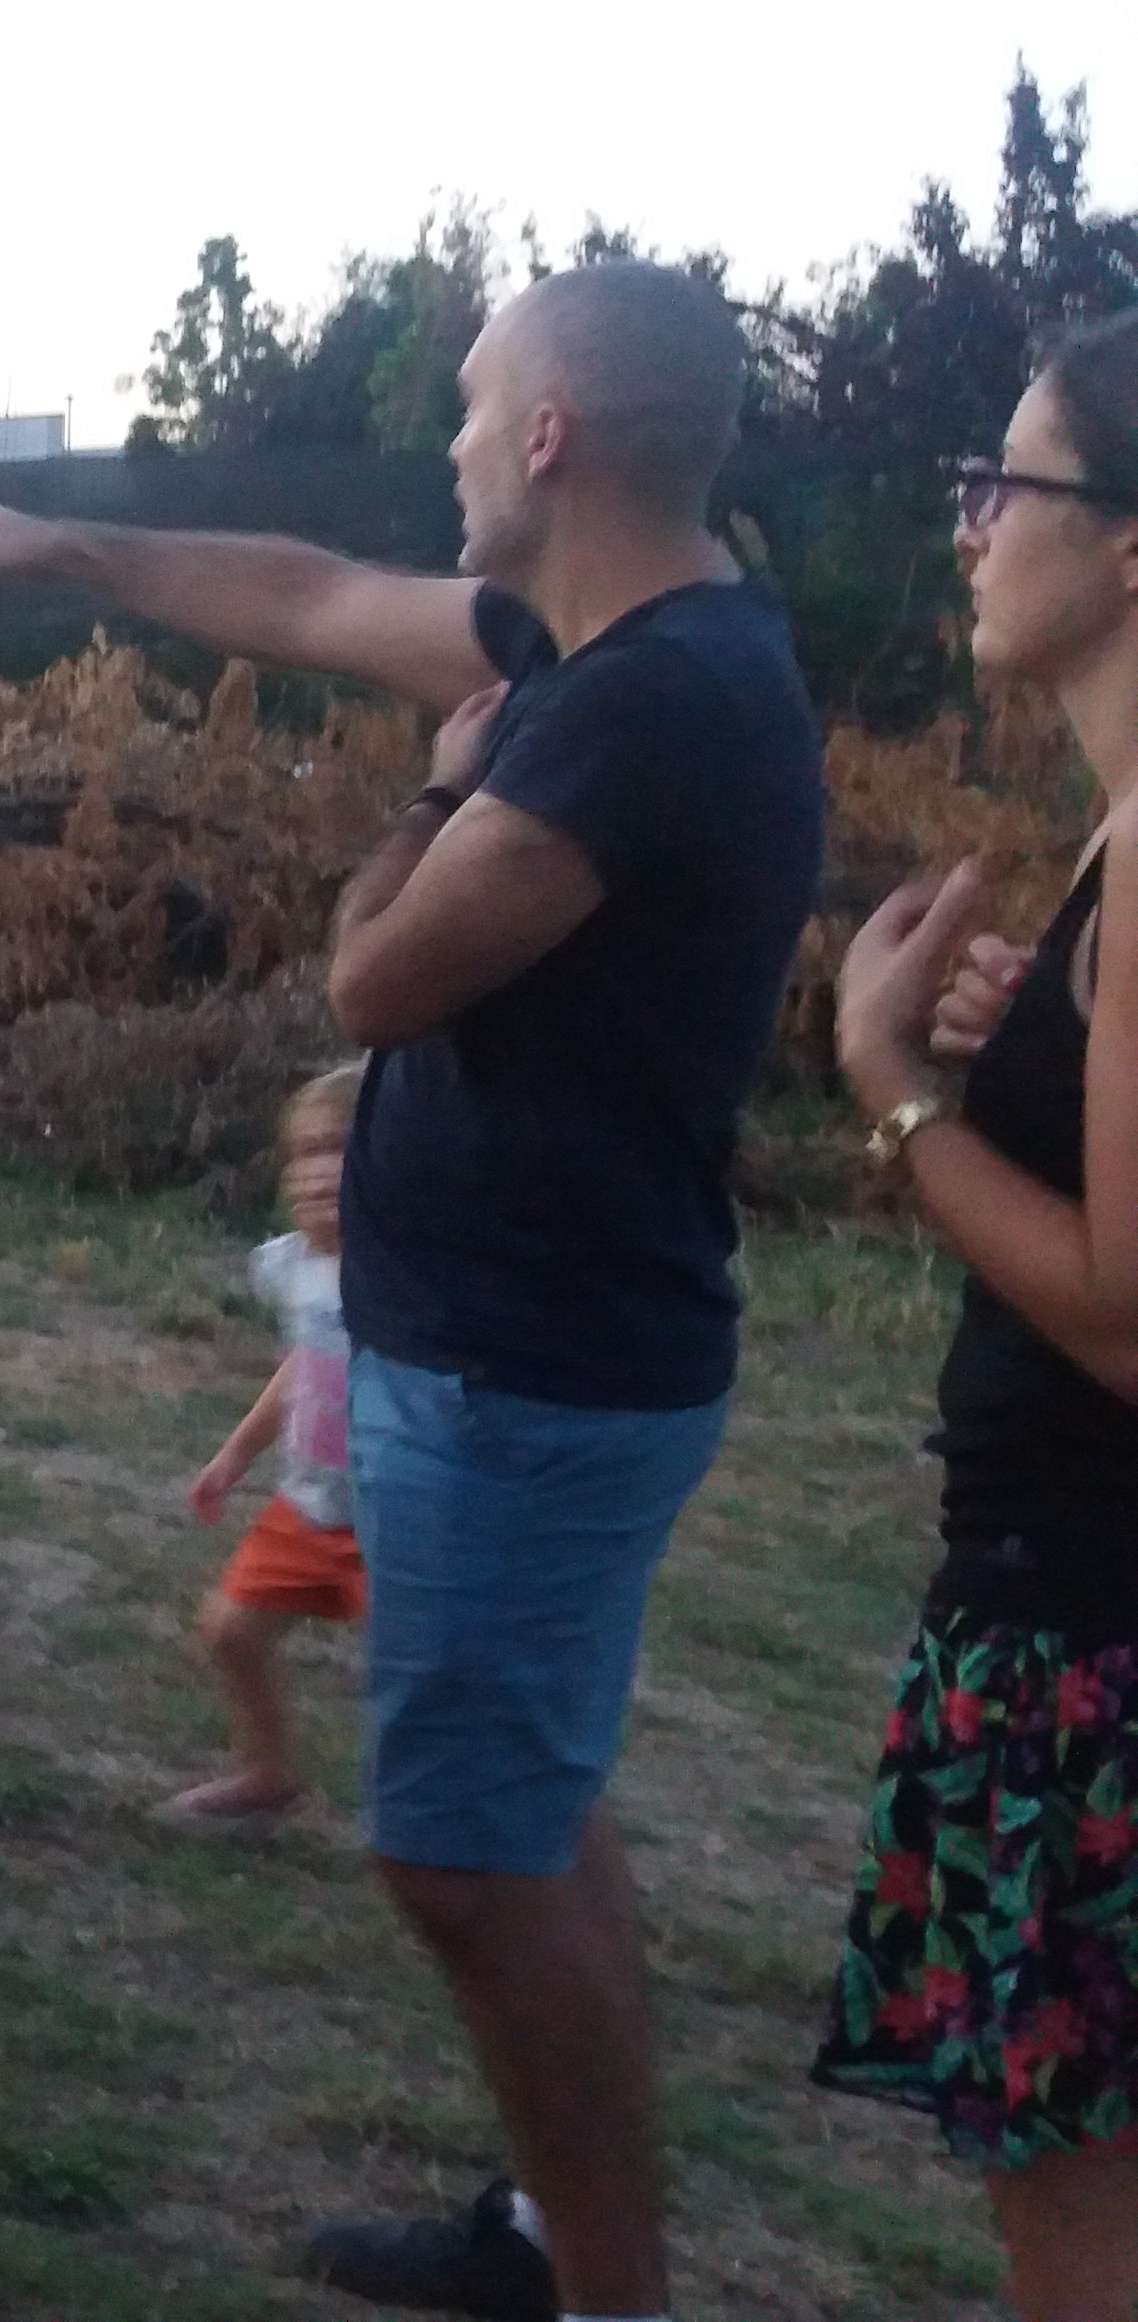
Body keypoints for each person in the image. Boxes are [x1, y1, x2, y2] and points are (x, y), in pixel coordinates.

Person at [0, 261, 824, 2322]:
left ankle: (608, 2296)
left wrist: (432, 791)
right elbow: (311, 597)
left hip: (529, 1369)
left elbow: (377, 976)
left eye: (474, 406)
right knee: (530, 1818)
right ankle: (557, 2237)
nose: (451, 443)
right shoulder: (604, 650)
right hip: (511, 1350)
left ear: (551, 438)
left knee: (464, 1858)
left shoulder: (645, 705)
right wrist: (64, 547)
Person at [815, 307, 1138, 2322]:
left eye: (1001, 482)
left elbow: (1123, 1318)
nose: (966, 525)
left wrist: (891, 1091)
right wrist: (1036, 1052)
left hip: (1093, 1651)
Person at [171, 1061, 368, 1834]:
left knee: (427, 1683)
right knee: (229, 1633)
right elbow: (303, 1370)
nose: (319, 1172)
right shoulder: (297, 1267)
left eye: (343, 1149)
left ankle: (477, 1832)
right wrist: (235, 1456)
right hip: (306, 1508)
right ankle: (267, 1773)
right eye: (305, 1153)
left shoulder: (412, 1275)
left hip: (395, 1523)